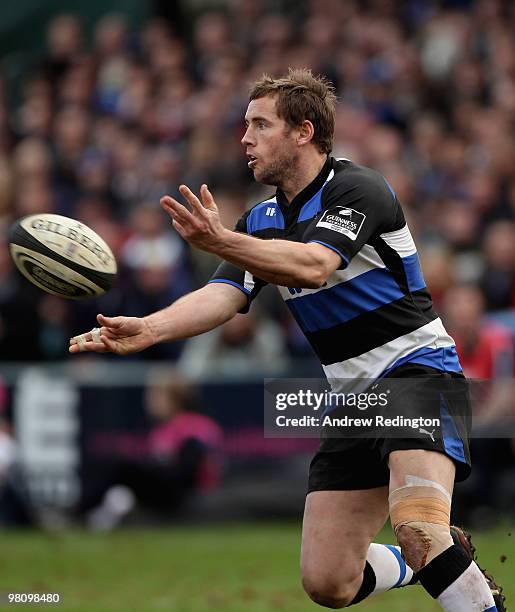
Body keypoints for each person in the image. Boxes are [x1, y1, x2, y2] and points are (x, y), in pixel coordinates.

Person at [69, 69, 505, 610]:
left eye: (259, 124)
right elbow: (225, 295)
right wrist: (150, 328)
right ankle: (443, 558)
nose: (244, 139)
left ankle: (445, 564)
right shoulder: (262, 219)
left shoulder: (357, 187)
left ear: (303, 131)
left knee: (417, 526)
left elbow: (315, 264)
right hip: (355, 400)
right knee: (328, 581)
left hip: (417, 373)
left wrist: (223, 238)